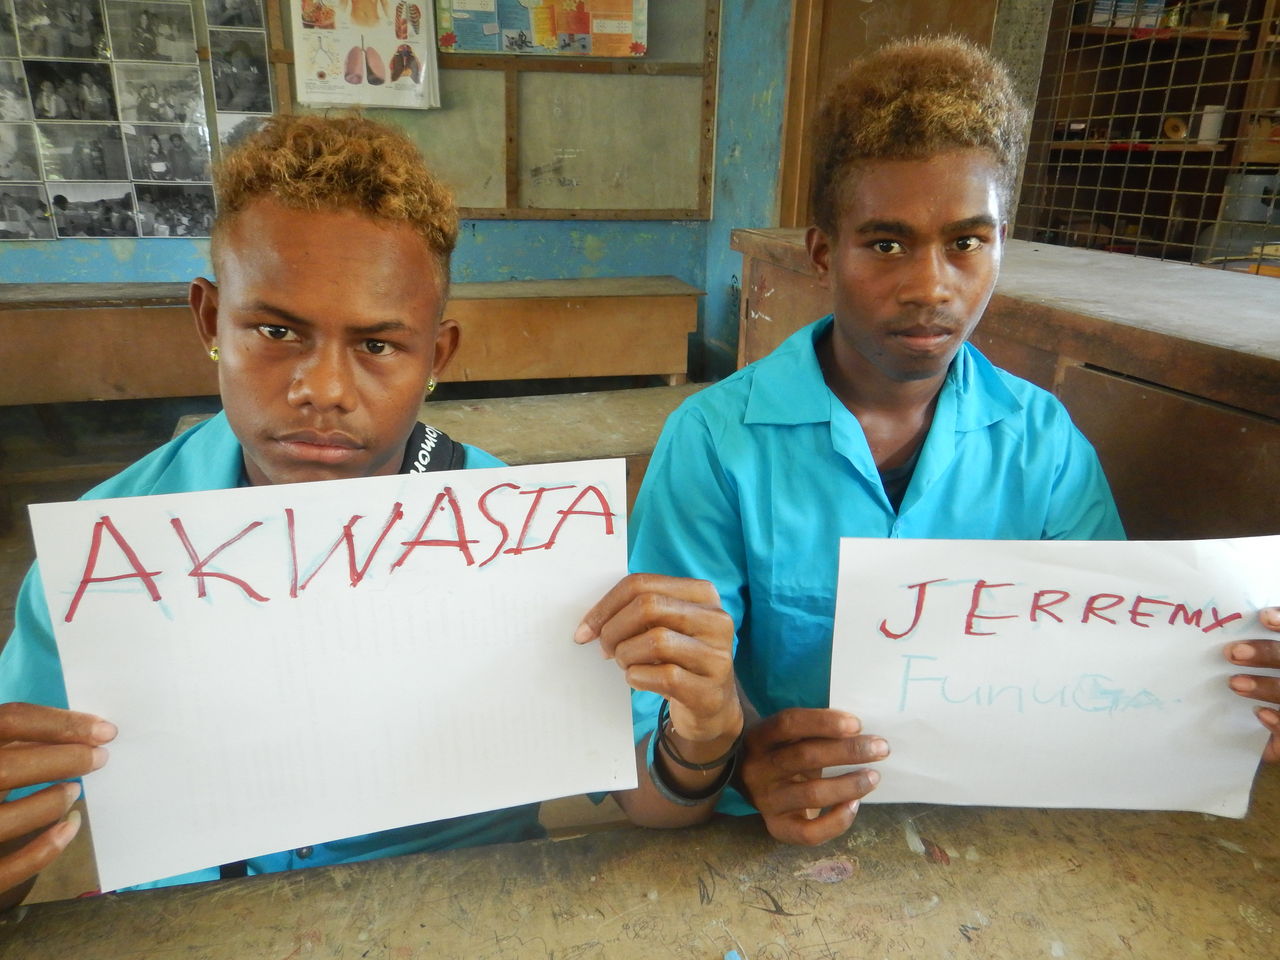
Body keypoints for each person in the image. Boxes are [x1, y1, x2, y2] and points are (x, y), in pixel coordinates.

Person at [0, 114, 741, 907]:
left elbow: (652, 801)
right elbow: (21, 832)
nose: (323, 390)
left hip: (464, 912)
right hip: (192, 921)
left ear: (437, 356)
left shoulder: (525, 544)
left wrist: (704, 733)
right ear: (211, 320)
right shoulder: (102, 562)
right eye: (276, 330)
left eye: (378, 346)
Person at [624, 35, 1280, 847]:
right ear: (824, 253)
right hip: (763, 849)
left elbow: (1106, 668)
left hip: (986, 842)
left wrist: (1227, 705)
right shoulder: (716, 443)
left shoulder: (1043, 443)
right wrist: (731, 757)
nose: (931, 286)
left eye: (967, 242)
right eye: (886, 244)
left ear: (1002, 242)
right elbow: (650, 744)